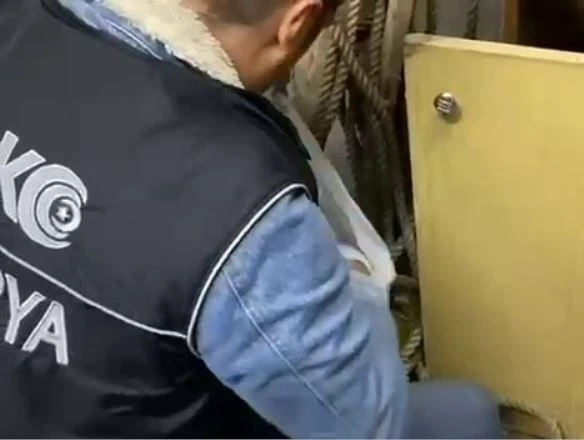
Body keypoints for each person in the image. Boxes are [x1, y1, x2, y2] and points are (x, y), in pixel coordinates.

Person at [0, 0, 505, 438]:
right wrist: (355, 274)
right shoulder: (245, 211)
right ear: (297, 22)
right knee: (468, 414)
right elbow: (369, 425)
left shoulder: (18, 23)